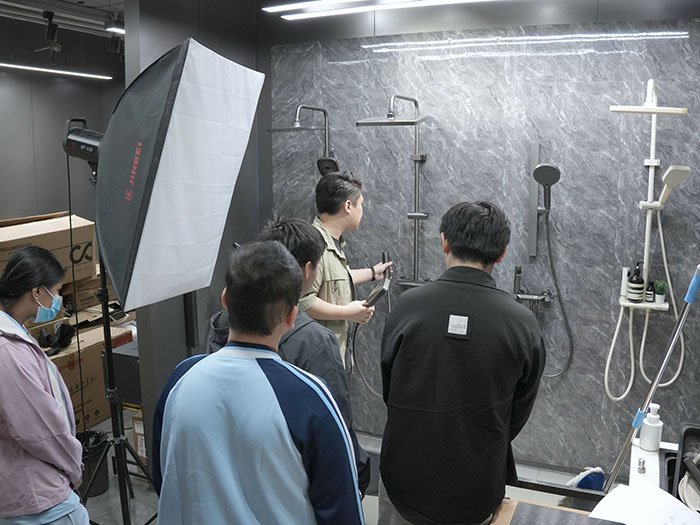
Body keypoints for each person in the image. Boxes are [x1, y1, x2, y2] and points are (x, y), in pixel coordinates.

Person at [152, 217, 371, 494]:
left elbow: (164, 472)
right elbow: (337, 455)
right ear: (291, 315)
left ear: (226, 299)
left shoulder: (185, 374)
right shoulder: (313, 350)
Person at [379, 202, 546, 525]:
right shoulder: (522, 323)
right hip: (476, 487)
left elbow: (391, 388)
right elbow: (516, 413)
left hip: (404, 479)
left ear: (444, 241)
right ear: (502, 253)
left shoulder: (407, 307)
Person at [0, 246, 89, 525]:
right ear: (37, 292)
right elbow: (41, 431)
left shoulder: (13, 334)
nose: (58, 300)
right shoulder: (8, 351)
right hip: (38, 495)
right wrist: (73, 466)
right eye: (57, 291)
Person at [299, 171, 393, 363]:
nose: (362, 211)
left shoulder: (332, 243)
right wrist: (349, 313)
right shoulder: (314, 245)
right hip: (318, 358)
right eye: (361, 205)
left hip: (335, 354)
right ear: (348, 206)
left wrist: (373, 273)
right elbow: (303, 302)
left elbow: (335, 277)